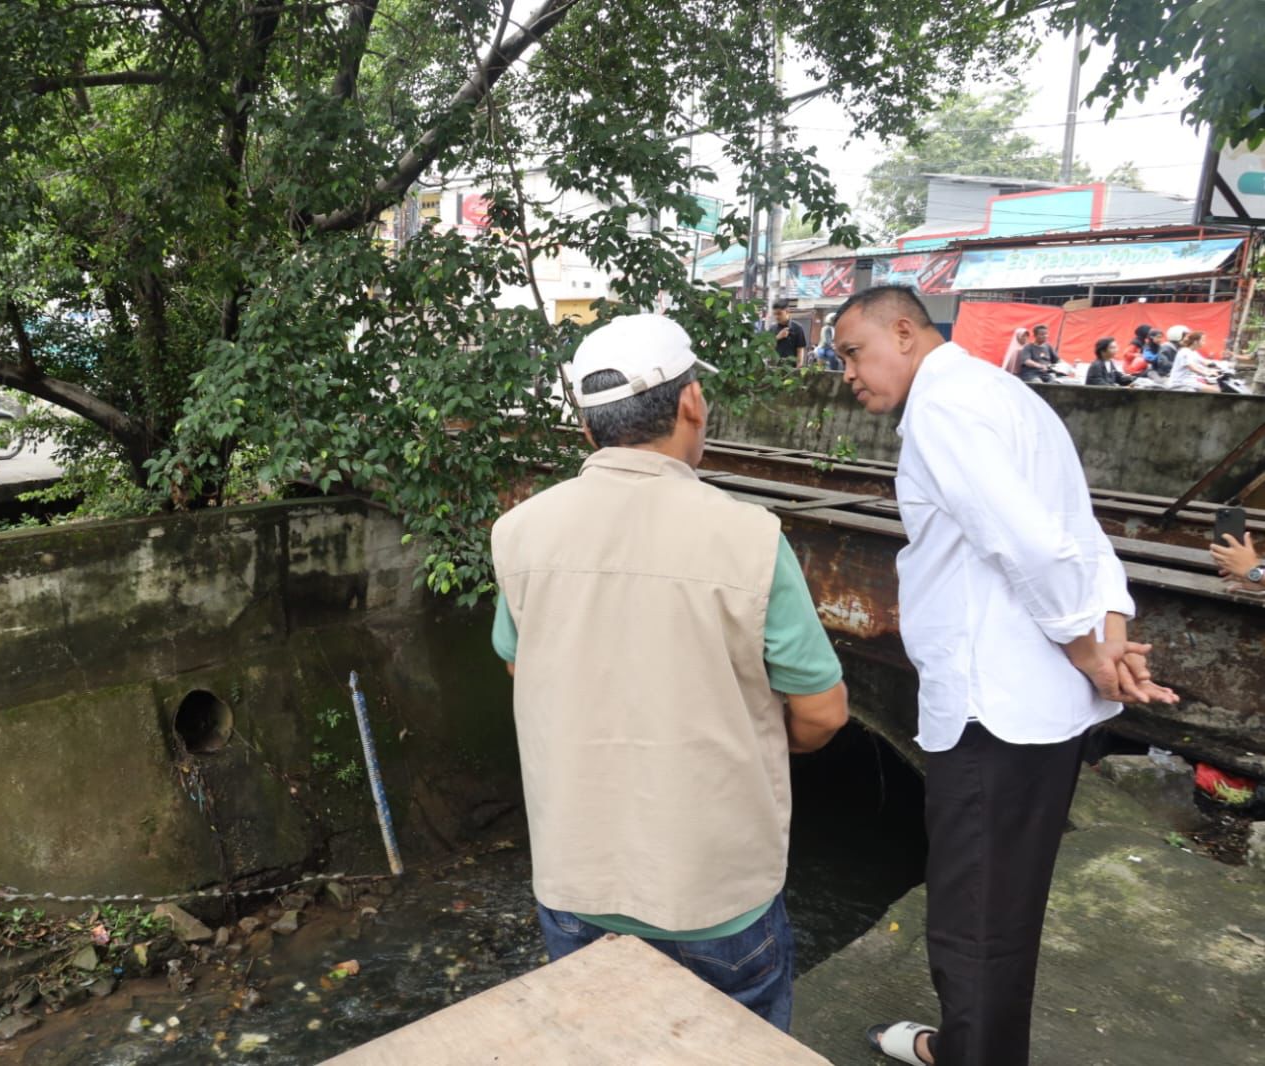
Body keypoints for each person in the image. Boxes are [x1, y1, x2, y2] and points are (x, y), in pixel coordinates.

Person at [832, 286, 1177, 1066]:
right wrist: (1110, 638)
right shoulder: (1006, 395)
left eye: (853, 352)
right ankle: (962, 1046)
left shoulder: (945, 408)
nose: (845, 372)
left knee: (973, 919)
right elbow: (1080, 534)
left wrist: (1086, 650)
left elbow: (1031, 546)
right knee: (1003, 907)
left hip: (995, 708)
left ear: (904, 333)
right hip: (1038, 712)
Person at [490, 313, 849, 1031]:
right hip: (714, 893)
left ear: (588, 427)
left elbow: (519, 665)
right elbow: (822, 713)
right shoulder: (749, 537)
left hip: (575, 878)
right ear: (690, 404)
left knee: (603, 1046)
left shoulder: (518, 531)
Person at [769, 300, 809, 367]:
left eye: (779, 314)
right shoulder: (772, 328)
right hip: (775, 366)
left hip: (791, 367)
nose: (777, 317)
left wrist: (798, 367)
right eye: (775, 314)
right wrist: (777, 337)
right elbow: (768, 348)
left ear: (787, 312)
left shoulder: (797, 328)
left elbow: (800, 349)